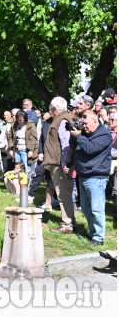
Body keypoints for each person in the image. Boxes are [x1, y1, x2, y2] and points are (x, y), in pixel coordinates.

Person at [70, 110, 113, 246]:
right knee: (86, 208)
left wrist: (79, 136)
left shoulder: (104, 134)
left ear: (95, 121)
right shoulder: (85, 133)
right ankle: (92, 232)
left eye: (86, 124)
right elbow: (74, 147)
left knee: (96, 209)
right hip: (83, 175)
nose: (84, 126)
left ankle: (99, 237)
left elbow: (91, 149)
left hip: (96, 177)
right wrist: (75, 135)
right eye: (82, 124)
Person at [43, 96, 76, 234]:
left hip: (60, 163)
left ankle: (67, 225)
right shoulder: (63, 118)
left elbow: (66, 145)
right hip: (59, 162)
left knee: (63, 194)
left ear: (54, 109)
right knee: (64, 193)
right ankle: (70, 221)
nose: (49, 111)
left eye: (50, 108)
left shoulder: (62, 120)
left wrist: (64, 164)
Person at [7, 110, 39, 180]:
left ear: (25, 118)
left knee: (26, 169)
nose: (20, 122)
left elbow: (33, 138)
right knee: (17, 169)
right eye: (18, 120)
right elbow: (10, 137)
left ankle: (27, 187)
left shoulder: (31, 124)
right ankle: (18, 186)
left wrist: (30, 150)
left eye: (22, 120)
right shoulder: (14, 125)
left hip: (25, 150)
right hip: (17, 150)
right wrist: (11, 148)